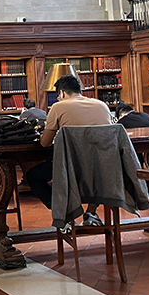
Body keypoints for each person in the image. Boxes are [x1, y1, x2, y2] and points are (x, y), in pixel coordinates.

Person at [26, 74, 113, 227]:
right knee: (95, 171)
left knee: (33, 176)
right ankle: (91, 213)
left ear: (62, 93)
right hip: (103, 169)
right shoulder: (102, 105)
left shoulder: (58, 107)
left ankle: (63, 214)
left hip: (71, 168)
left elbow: (45, 143)